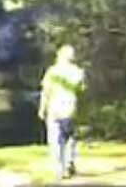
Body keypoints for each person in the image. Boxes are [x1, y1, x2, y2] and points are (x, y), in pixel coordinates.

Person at [39, 44, 86, 180]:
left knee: (55, 139)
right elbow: (82, 90)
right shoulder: (77, 71)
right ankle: (68, 164)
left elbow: (46, 91)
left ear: (59, 56)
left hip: (54, 109)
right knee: (69, 138)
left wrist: (42, 108)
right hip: (70, 109)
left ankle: (58, 168)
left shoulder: (52, 71)